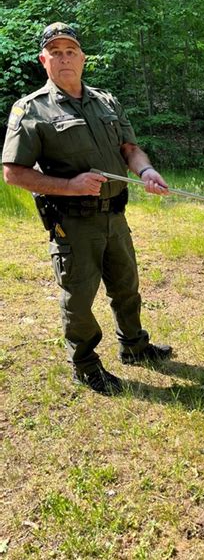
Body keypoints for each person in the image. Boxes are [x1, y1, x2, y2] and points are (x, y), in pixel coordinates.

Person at [2, 22, 173, 395]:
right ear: (43, 60)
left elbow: (130, 148)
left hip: (115, 214)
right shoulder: (31, 110)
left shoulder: (106, 102)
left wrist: (145, 170)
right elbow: (13, 174)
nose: (65, 58)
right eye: (56, 52)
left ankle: (135, 346)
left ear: (82, 58)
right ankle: (85, 364)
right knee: (79, 297)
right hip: (73, 224)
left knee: (127, 286)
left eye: (71, 51)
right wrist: (70, 186)